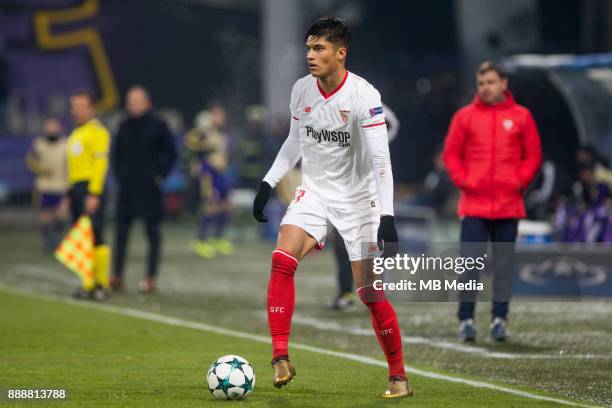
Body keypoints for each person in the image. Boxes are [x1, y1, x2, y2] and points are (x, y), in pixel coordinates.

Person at [252, 17, 411, 398]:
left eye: (319, 48)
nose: (310, 55)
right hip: (316, 193)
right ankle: (280, 357)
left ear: (341, 53)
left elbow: (381, 162)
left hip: (361, 202)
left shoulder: (363, 96)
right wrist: (268, 182)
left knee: (370, 294)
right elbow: (294, 141)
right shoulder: (302, 90)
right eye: (309, 48)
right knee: (281, 259)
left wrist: (387, 216)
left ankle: (398, 377)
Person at [442, 61, 542, 342]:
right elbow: (451, 155)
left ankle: (500, 318)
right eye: (481, 83)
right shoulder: (464, 117)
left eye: (490, 82)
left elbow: (533, 155)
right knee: (470, 265)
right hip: (474, 206)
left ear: (503, 84)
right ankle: (466, 320)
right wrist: (466, 181)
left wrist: (519, 181)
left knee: (503, 266)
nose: (485, 88)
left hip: (508, 205)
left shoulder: (522, 117)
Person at [110, 86, 177, 293]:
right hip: (127, 188)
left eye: (138, 101)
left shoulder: (158, 125)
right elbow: (116, 155)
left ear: (147, 102)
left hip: (150, 189)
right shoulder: (123, 125)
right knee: (121, 233)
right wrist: (120, 176)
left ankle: (150, 277)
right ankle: (117, 276)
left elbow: (172, 153)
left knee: (153, 234)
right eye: (131, 101)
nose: (134, 105)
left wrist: (161, 176)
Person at [66, 90, 112, 300]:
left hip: (89, 188)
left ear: (91, 108)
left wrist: (94, 193)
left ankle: (101, 284)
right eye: (74, 106)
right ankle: (88, 283)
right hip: (77, 187)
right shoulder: (77, 132)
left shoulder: (97, 132)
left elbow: (100, 163)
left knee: (96, 233)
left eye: (81, 106)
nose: (76, 110)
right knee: (82, 237)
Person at [186, 104, 234, 258]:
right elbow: (191, 143)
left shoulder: (224, 133)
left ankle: (217, 238)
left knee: (226, 205)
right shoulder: (204, 132)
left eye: (221, 115)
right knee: (210, 206)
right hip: (209, 174)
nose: (220, 118)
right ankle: (201, 240)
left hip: (221, 173)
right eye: (217, 115)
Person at [25, 116, 69, 251]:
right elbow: (30, 161)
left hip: (62, 185)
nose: (52, 128)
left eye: (54, 125)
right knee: (46, 216)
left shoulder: (65, 144)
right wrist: (41, 170)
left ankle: (57, 238)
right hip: (45, 186)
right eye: (49, 126)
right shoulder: (38, 144)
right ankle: (47, 240)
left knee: (62, 214)